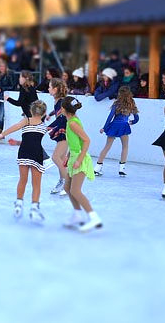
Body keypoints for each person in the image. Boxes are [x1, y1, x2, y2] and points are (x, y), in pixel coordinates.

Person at [0, 100, 48, 223]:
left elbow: (16, 128)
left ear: (30, 111)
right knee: (36, 184)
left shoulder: (26, 121)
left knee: (23, 180)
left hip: (24, 151)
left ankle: (18, 204)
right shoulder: (43, 127)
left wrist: (2, 134)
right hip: (37, 154)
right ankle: (34, 208)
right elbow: (34, 141)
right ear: (44, 113)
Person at [61, 97, 102, 232]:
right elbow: (75, 142)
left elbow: (86, 140)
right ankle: (78, 214)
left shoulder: (73, 123)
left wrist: (79, 159)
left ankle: (94, 217)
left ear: (64, 109)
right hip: (73, 157)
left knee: (75, 190)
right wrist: (68, 156)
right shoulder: (71, 121)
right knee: (67, 188)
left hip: (80, 158)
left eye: (61, 107)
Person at [94, 86, 139, 177]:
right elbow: (136, 118)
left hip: (114, 126)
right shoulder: (131, 103)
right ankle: (122, 169)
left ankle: (97, 168)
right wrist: (132, 122)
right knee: (125, 147)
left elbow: (110, 117)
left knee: (107, 147)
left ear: (120, 94)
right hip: (124, 126)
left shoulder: (117, 103)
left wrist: (104, 127)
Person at [46, 78, 69, 196]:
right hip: (62, 130)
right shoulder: (58, 101)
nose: (48, 89)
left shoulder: (61, 101)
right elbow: (57, 112)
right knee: (61, 158)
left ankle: (67, 183)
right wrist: (50, 114)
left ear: (55, 89)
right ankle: (62, 181)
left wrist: (48, 127)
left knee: (56, 157)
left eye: (50, 87)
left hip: (66, 131)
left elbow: (61, 118)